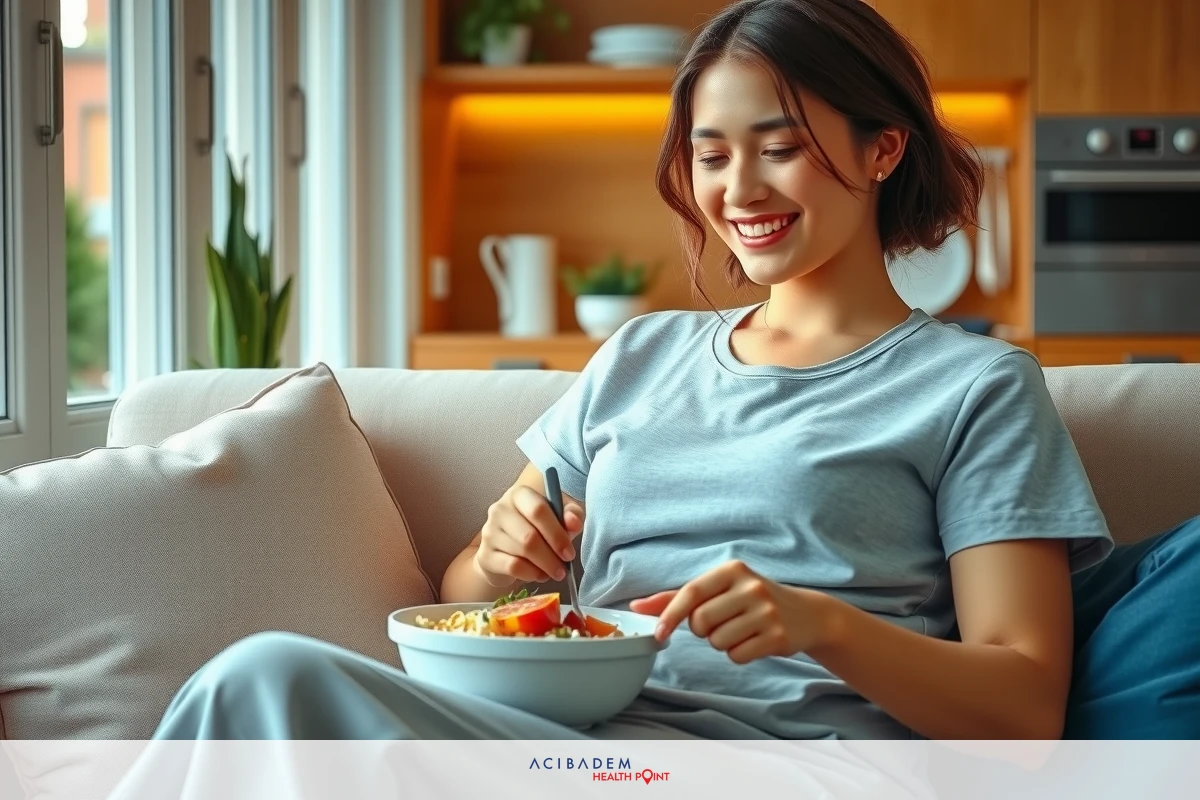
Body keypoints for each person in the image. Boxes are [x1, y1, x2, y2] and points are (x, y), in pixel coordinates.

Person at [151, 0, 1198, 743]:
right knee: (261, 678)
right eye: (709, 153)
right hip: (561, 740)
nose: (738, 188)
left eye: (778, 146)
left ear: (882, 150)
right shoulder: (641, 355)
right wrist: (500, 556)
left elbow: (1022, 706)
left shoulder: (974, 388)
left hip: (784, 762)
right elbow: (465, 594)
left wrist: (825, 623)